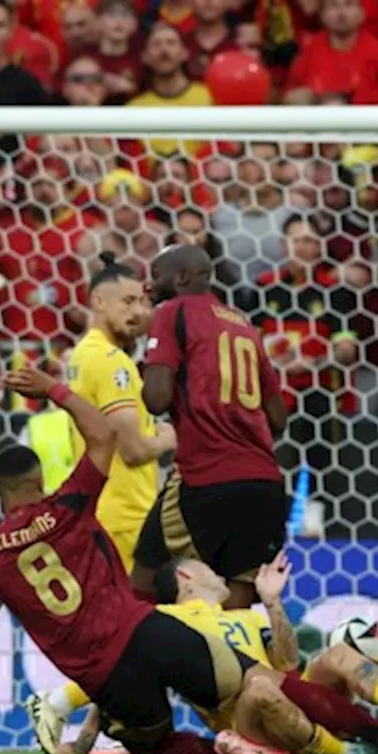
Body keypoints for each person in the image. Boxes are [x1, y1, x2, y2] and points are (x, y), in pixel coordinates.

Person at [0, 367, 378, 754]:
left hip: (103, 674)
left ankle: (236, 753)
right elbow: (102, 437)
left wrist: (1, 594)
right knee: (262, 680)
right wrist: (54, 390)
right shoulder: (68, 507)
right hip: (143, 629)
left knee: (156, 743)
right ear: (38, 479)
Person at [63, 557, 378, 754]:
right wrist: (72, 717)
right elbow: (118, 671)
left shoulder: (246, 617)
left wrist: (273, 602)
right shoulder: (167, 624)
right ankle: (349, 753)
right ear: (186, 576)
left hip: (298, 695)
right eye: (209, 570)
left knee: (338, 654)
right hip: (249, 718)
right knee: (260, 687)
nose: (220, 576)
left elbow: (289, 663)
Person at [25, 254, 177, 754]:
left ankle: (87, 736)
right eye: (128, 301)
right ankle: (59, 700)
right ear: (98, 302)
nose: (140, 311)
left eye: (144, 301)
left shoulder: (83, 355)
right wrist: (178, 435)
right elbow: (134, 449)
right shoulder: (110, 363)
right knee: (154, 630)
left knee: (131, 633)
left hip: (110, 511)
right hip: (127, 513)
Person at [139, 245, 289, 609]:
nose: (149, 285)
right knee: (235, 614)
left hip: (205, 478)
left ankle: (155, 664)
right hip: (264, 485)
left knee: (143, 585)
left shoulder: (173, 312)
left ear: (182, 278)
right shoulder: (243, 323)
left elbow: (156, 398)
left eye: (156, 275)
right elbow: (279, 420)